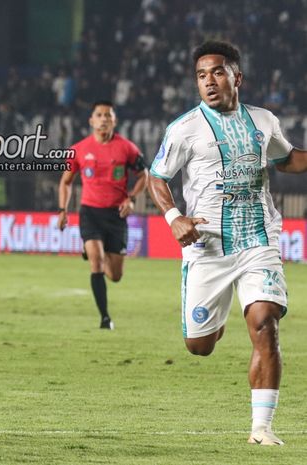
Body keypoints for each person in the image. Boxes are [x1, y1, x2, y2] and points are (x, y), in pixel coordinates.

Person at [148, 40, 307, 446]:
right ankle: (216, 322)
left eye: (217, 72)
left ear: (237, 77)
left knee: (265, 322)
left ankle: (262, 429)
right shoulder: (184, 129)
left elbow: (286, 158)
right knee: (199, 346)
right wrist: (174, 217)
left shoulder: (263, 121)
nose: (209, 82)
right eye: (201, 76)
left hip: (258, 239)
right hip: (207, 246)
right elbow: (157, 177)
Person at [57, 100, 148, 329]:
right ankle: (105, 318)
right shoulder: (78, 149)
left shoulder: (127, 148)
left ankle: (94, 252)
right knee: (96, 264)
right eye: (99, 115)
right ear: (91, 121)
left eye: (108, 115)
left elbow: (144, 175)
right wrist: (63, 210)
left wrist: (132, 198)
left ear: (114, 121)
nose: (104, 118)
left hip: (116, 215)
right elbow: (66, 182)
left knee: (115, 275)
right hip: (90, 213)